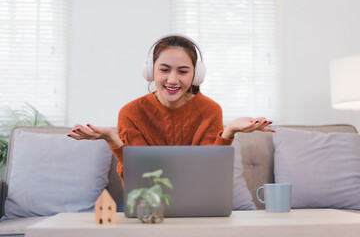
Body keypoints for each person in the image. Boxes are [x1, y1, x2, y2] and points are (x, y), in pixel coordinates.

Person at [67, 35, 276, 181]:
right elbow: (141, 176)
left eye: (183, 71)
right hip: (149, 205)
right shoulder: (131, 113)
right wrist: (112, 139)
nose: (173, 80)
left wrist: (228, 131)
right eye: (164, 70)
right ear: (150, 71)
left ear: (196, 75)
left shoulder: (210, 110)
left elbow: (208, 173)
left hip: (198, 205)